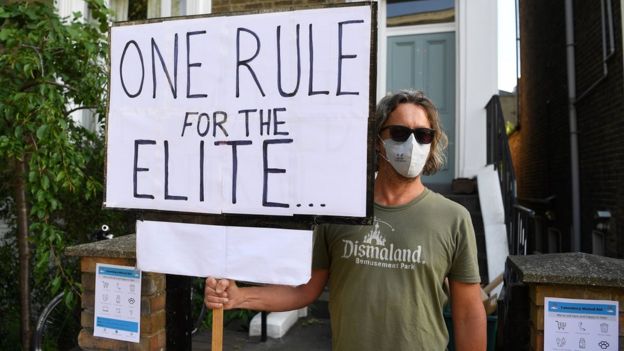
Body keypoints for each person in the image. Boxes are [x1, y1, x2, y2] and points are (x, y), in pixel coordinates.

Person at [205, 90, 486, 350]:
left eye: (423, 135)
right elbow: (306, 288)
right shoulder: (340, 212)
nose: (412, 144)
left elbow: (468, 313)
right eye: (399, 132)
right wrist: (239, 297)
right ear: (377, 141)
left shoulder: (453, 218)